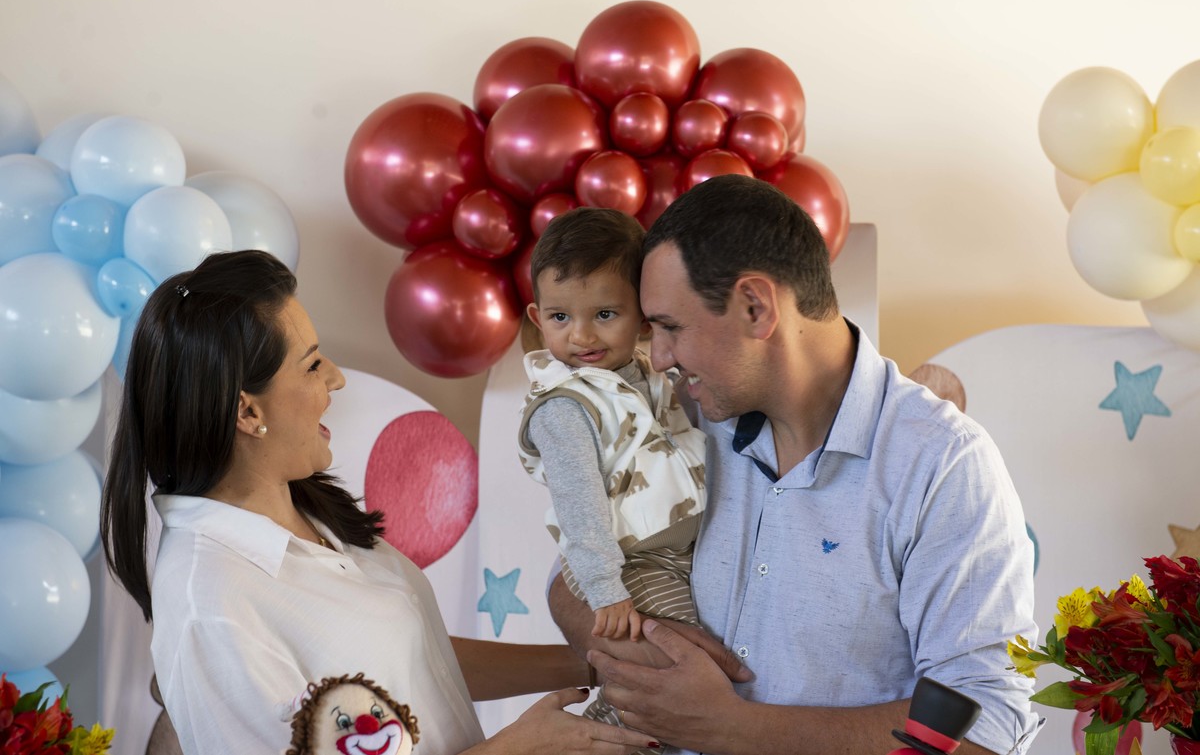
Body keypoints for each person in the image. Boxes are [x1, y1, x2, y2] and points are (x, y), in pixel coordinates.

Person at [549, 174, 1041, 755]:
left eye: (672, 328)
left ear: (756, 307)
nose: (657, 357)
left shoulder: (942, 464)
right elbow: (569, 582)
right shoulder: (677, 414)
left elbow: (985, 724)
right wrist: (650, 651)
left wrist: (731, 727)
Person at [99, 249, 663, 755]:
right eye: (313, 364)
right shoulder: (212, 605)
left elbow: (407, 663)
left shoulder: (307, 510)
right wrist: (517, 749)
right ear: (247, 411)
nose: (336, 379)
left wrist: (593, 664)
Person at [518, 209, 708, 740]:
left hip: (674, 553)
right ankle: (604, 738)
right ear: (537, 316)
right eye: (560, 317)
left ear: (643, 315)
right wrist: (606, 591)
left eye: (604, 313)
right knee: (677, 662)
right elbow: (579, 507)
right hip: (627, 564)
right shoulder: (565, 407)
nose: (581, 335)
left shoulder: (648, 374)